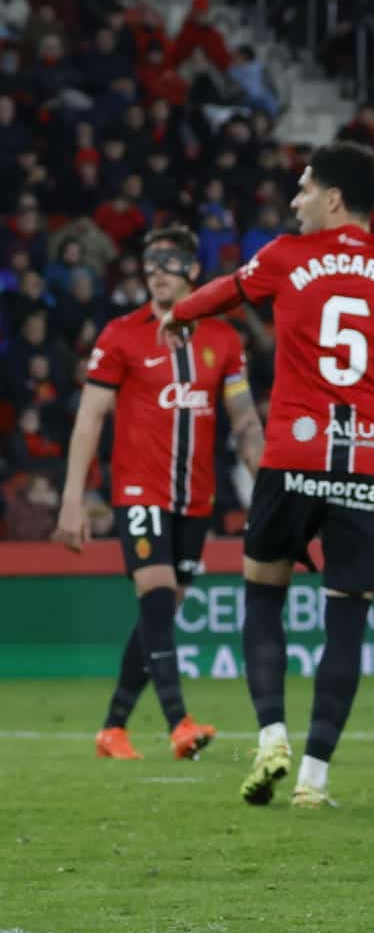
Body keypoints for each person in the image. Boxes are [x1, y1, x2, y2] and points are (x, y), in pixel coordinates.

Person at [158, 144, 374, 810]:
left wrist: (179, 315)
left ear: (333, 199)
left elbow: (224, 292)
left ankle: (272, 736)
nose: (294, 201)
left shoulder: (288, 255)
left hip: (292, 458)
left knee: (262, 594)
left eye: (304, 189)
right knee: (347, 620)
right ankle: (313, 779)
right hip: (370, 462)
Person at [54, 226, 261, 759]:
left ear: (193, 271)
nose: (156, 274)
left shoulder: (223, 339)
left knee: (159, 615)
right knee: (157, 596)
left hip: (195, 500)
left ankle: (113, 728)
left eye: (167, 264)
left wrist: (269, 485)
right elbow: (89, 420)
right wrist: (73, 500)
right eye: (149, 266)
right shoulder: (121, 335)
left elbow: (243, 422)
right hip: (138, 491)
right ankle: (179, 723)